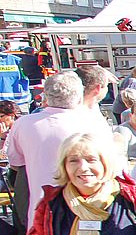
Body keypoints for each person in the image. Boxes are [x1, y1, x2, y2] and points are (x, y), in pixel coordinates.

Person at [7, 72, 113, 225]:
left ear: (46, 96)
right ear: (79, 96)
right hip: (86, 211)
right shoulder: (95, 123)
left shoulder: (23, 124)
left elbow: (16, 164)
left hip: (42, 213)